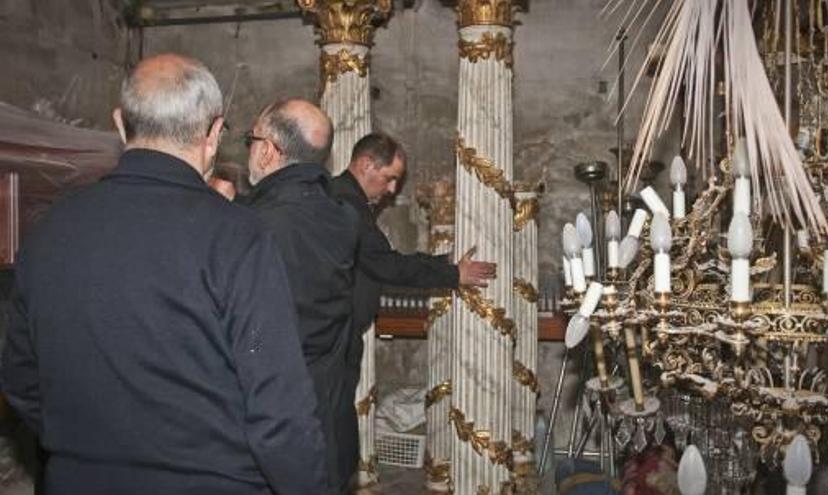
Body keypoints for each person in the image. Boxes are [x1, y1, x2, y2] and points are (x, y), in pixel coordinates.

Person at [0, 54, 328, 495]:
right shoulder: (237, 236)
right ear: (213, 134)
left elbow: (21, 377)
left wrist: (88, 448)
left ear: (120, 124)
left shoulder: (48, 232)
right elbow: (279, 413)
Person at [329, 132, 497, 483]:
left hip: (338, 332)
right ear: (365, 165)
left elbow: (380, 261)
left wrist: (444, 264)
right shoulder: (345, 203)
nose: (391, 190)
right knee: (336, 440)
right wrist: (453, 273)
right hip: (334, 336)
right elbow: (386, 265)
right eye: (389, 178)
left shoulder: (344, 199)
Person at [238, 98, 359, 494]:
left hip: (274, 439)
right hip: (329, 423)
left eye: (250, 139)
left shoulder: (253, 225)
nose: (249, 150)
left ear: (269, 149)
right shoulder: (344, 217)